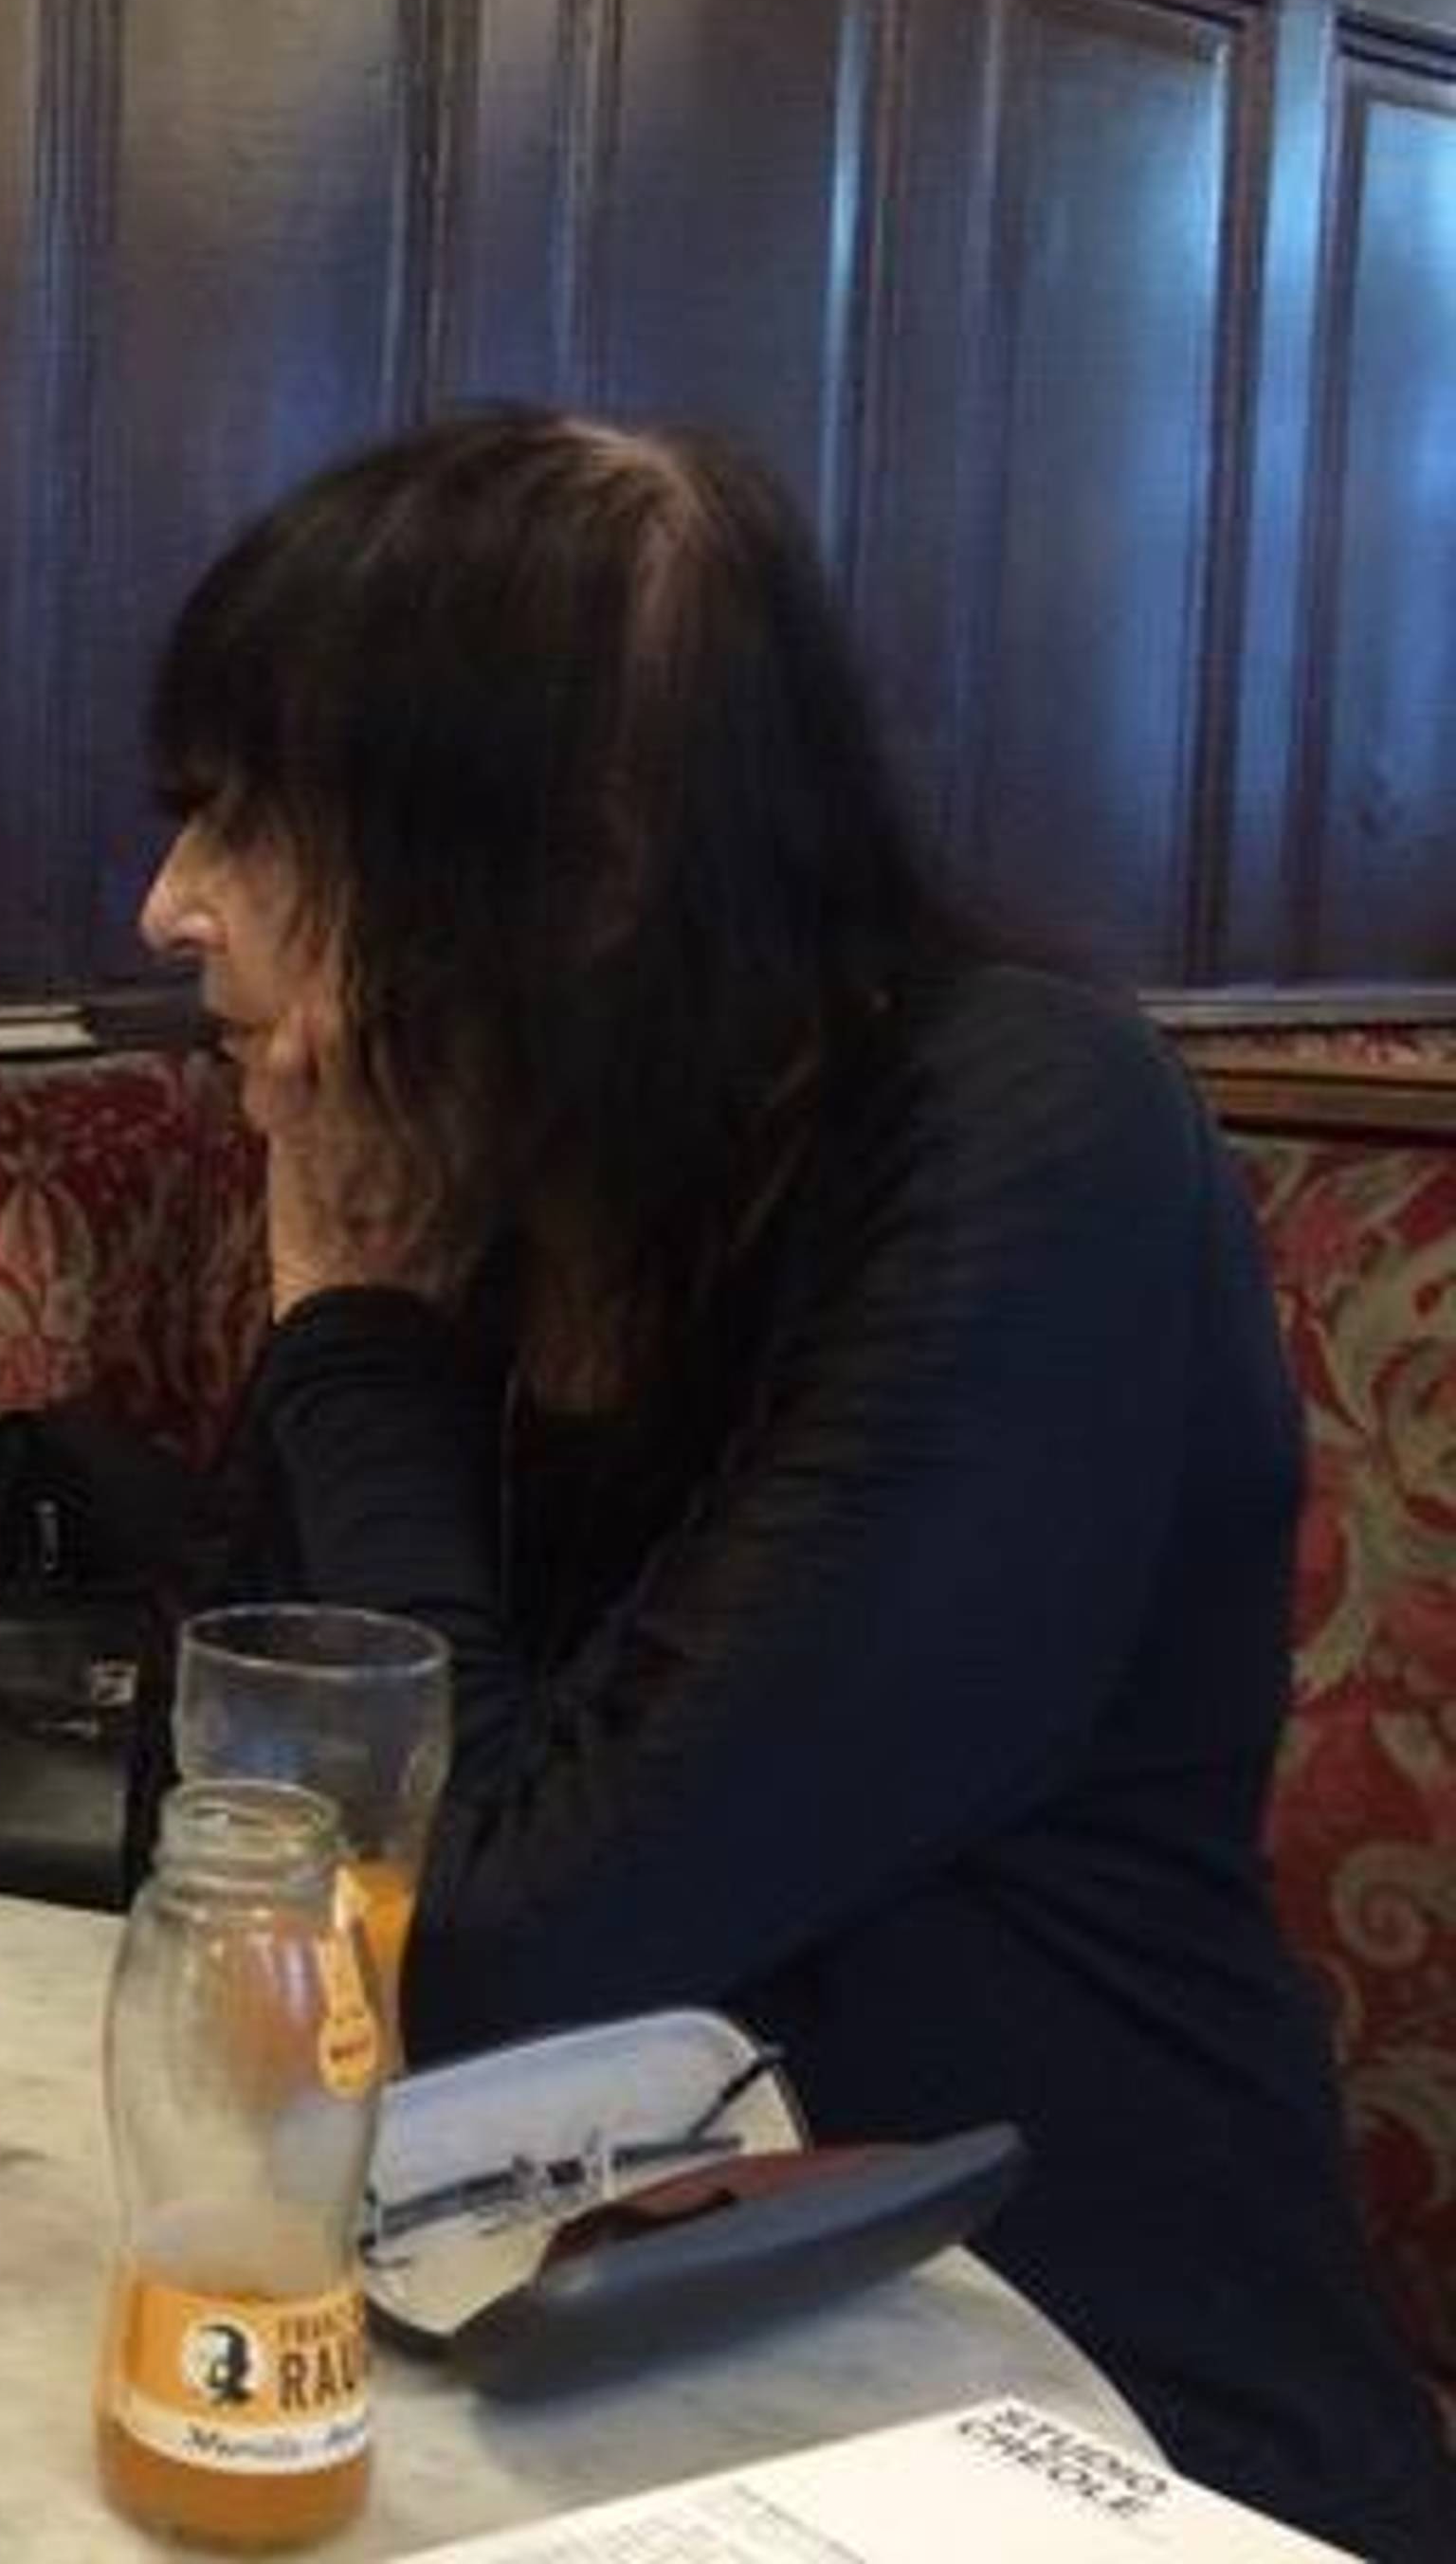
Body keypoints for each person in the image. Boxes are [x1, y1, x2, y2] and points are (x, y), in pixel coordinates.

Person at [134, 406, 1456, 2554]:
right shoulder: (525, 1152)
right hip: (569, 2361)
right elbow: (225, 1843)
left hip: (1096, 2423)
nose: (172, 904)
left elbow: (478, 1949)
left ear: (581, 868)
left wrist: (350, 1334)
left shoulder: (1028, 1146)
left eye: (253, 820)